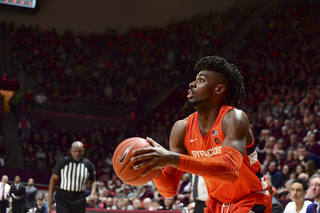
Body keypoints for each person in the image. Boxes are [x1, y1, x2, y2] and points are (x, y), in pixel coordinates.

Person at [131, 55, 272, 212]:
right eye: (195, 79)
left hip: (251, 199)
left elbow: (230, 171)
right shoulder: (181, 128)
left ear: (219, 89)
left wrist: (170, 158)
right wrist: (154, 166)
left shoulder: (234, 118)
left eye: (201, 80)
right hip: (216, 204)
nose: (192, 84)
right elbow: (168, 189)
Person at [48, 141, 97, 213]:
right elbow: (53, 179)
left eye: (79, 151)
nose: (77, 153)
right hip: (63, 197)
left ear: (83, 151)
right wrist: (50, 197)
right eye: (75, 151)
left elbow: (92, 182)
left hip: (80, 199)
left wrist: (92, 194)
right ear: (71, 151)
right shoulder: (62, 162)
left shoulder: (88, 164)